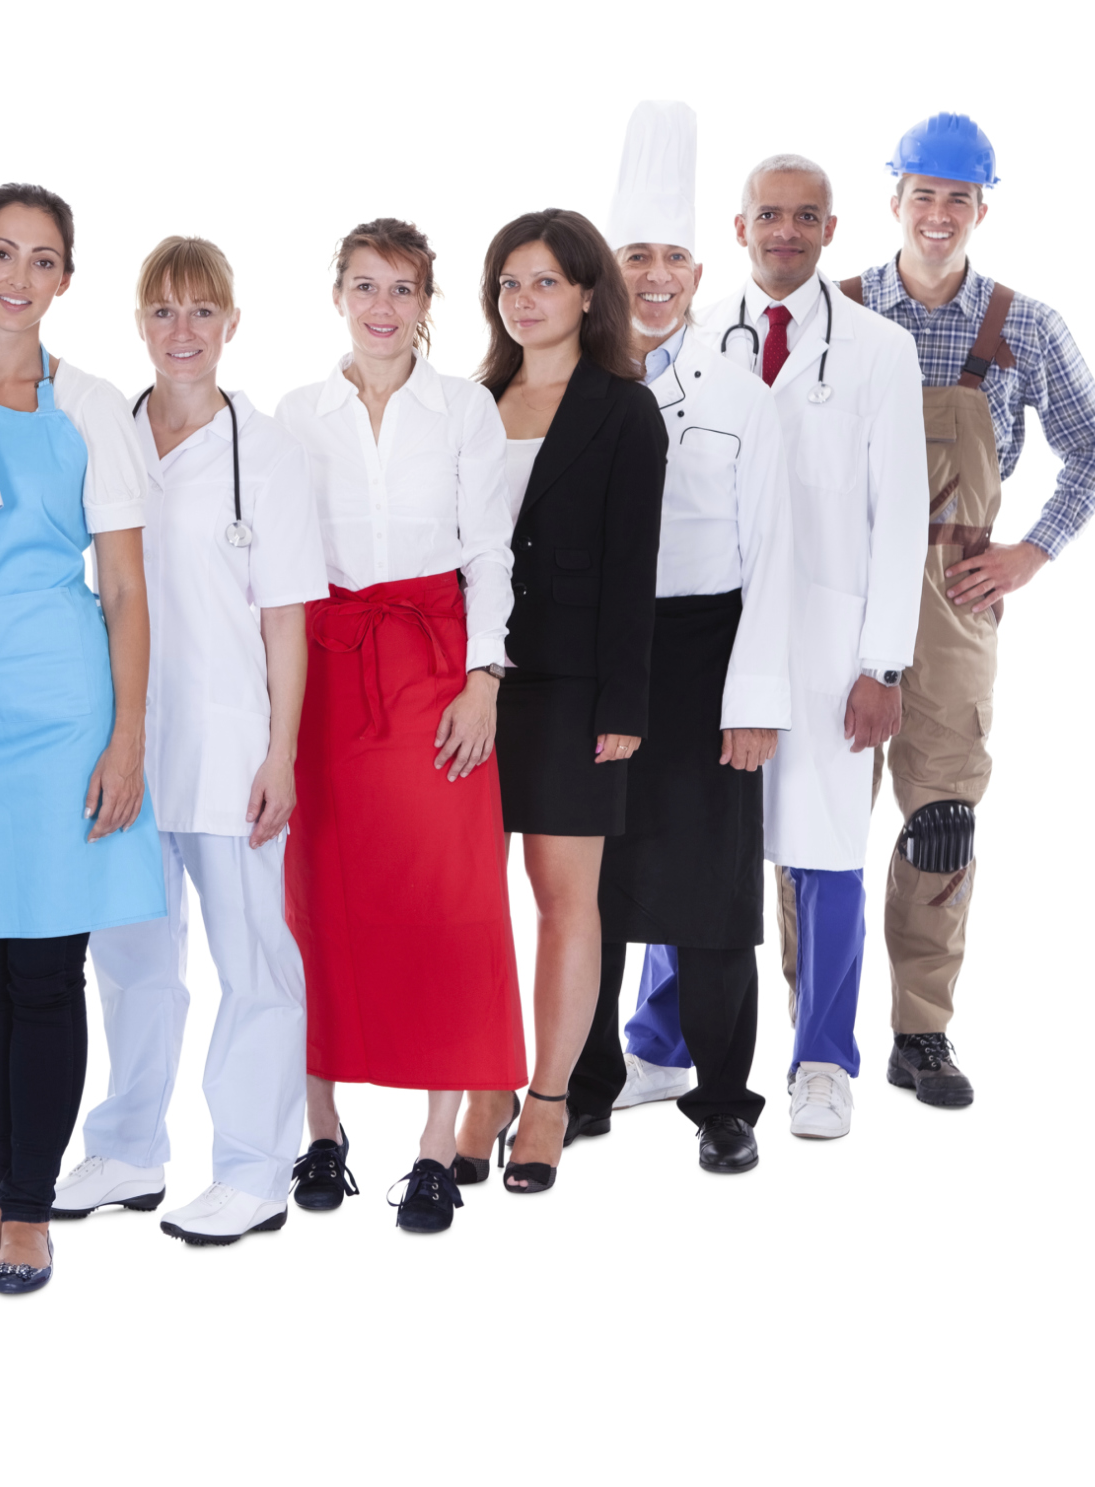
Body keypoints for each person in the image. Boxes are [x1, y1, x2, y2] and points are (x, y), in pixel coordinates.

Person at [840, 114, 1095, 1106]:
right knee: (819, 819)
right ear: (894, 201)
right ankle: (815, 1034)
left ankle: (921, 1030)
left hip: (953, 595)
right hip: (836, 591)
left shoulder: (1024, 324)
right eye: (922, 193)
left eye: (956, 197)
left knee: (942, 820)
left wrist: (1031, 552)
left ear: (980, 210)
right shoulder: (835, 311)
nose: (937, 212)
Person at [0, 184, 165, 1295]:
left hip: (64, 707)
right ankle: (7, 1191)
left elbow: (126, 586)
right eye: (2, 253)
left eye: (44, 259)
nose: (20, 277)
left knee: (48, 966)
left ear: (67, 279)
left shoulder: (94, 405)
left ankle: (29, 1214)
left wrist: (127, 740)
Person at [58, 237, 327, 1245]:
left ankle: (254, 1169)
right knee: (131, 958)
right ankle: (129, 1149)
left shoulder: (269, 453)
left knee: (254, 962)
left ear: (232, 324)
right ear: (139, 324)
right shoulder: (107, 433)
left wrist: (281, 753)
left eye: (202, 311)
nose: (183, 331)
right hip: (124, 742)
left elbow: (286, 619)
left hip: (230, 745)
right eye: (164, 311)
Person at [554, 102, 795, 1175]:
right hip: (593, 660)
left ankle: (725, 1101)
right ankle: (586, 1084)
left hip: (705, 655)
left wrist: (755, 699)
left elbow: (774, 553)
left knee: (712, 893)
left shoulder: (742, 393)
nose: (655, 278)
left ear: (700, 273)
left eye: (674, 260)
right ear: (605, 273)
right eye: (634, 257)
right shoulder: (568, 385)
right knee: (590, 885)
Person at [275, 218, 524, 1235]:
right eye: (365, 286)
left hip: (434, 671)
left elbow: (491, 552)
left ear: (427, 303)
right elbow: (278, 565)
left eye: (403, 288)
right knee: (316, 899)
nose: (383, 307)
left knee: (447, 903)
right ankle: (321, 1129)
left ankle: (433, 1145)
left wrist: (484, 679)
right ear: (337, 293)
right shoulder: (295, 414)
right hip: (327, 676)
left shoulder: (464, 408)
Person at [686, 155, 929, 1139]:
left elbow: (901, 513)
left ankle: (823, 1059)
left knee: (825, 855)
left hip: (829, 646)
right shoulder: (697, 339)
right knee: (693, 847)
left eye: (805, 216)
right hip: (711, 640)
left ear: (831, 229)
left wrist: (883, 664)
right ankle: (660, 1043)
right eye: (768, 214)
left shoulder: (878, 349)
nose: (785, 231)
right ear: (739, 227)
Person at [453, 207, 664, 1193]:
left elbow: (633, 568)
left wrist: (624, 704)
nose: (524, 299)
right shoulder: (466, 402)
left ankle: (548, 1098)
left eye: (544, 281)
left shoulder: (624, 409)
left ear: (586, 292)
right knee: (467, 897)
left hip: (577, 688)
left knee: (561, 896)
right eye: (509, 283)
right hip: (469, 684)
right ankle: (483, 1083)